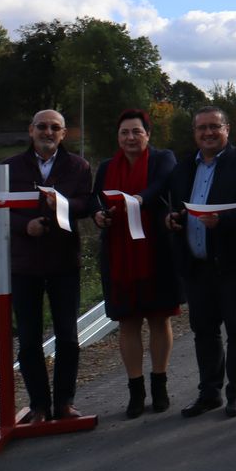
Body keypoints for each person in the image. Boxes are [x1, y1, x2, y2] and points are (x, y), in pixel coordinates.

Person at [0, 109, 92, 423]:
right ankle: (39, 406)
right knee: (29, 339)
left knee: (68, 337)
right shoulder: (10, 167)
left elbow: (86, 204)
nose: (48, 132)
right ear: (30, 131)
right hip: (23, 265)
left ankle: (65, 403)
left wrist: (65, 205)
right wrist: (24, 226)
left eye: (54, 128)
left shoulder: (78, 166)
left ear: (63, 133)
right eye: (42, 127)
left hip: (63, 263)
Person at [166, 106, 236, 418]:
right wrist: (171, 219)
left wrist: (221, 220)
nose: (208, 133)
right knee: (204, 330)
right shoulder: (183, 169)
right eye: (201, 129)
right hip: (197, 265)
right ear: (195, 133)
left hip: (233, 262)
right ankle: (209, 392)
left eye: (214, 127)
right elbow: (173, 207)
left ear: (227, 129)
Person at [92, 109, 181, 418]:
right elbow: (97, 201)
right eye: (124, 133)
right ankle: (135, 389)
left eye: (136, 132)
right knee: (127, 322)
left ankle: (159, 385)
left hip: (156, 251)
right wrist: (99, 215)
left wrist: (137, 200)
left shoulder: (163, 159)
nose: (130, 138)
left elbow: (159, 188)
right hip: (118, 254)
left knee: (159, 318)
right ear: (118, 138)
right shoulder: (105, 168)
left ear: (148, 134)